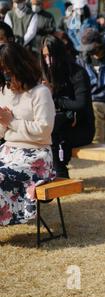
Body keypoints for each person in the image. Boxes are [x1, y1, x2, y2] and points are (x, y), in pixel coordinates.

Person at [0, 43, 55, 226]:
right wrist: (3, 122)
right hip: (8, 152)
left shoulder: (40, 93)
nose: (6, 75)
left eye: (7, 70)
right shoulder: (5, 91)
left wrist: (11, 122)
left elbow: (44, 130)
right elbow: (3, 131)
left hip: (36, 157)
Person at [40, 35, 94, 178]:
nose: (47, 59)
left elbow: (81, 104)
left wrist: (55, 96)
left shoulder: (77, 73)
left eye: (50, 55)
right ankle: (52, 171)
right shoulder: (45, 73)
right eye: (44, 55)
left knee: (52, 132)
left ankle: (60, 173)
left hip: (81, 127)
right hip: (58, 124)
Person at [79, 28, 105, 144]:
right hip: (88, 101)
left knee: (95, 107)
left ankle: (98, 144)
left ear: (99, 45)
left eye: (92, 49)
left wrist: (89, 98)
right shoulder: (83, 60)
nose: (90, 52)